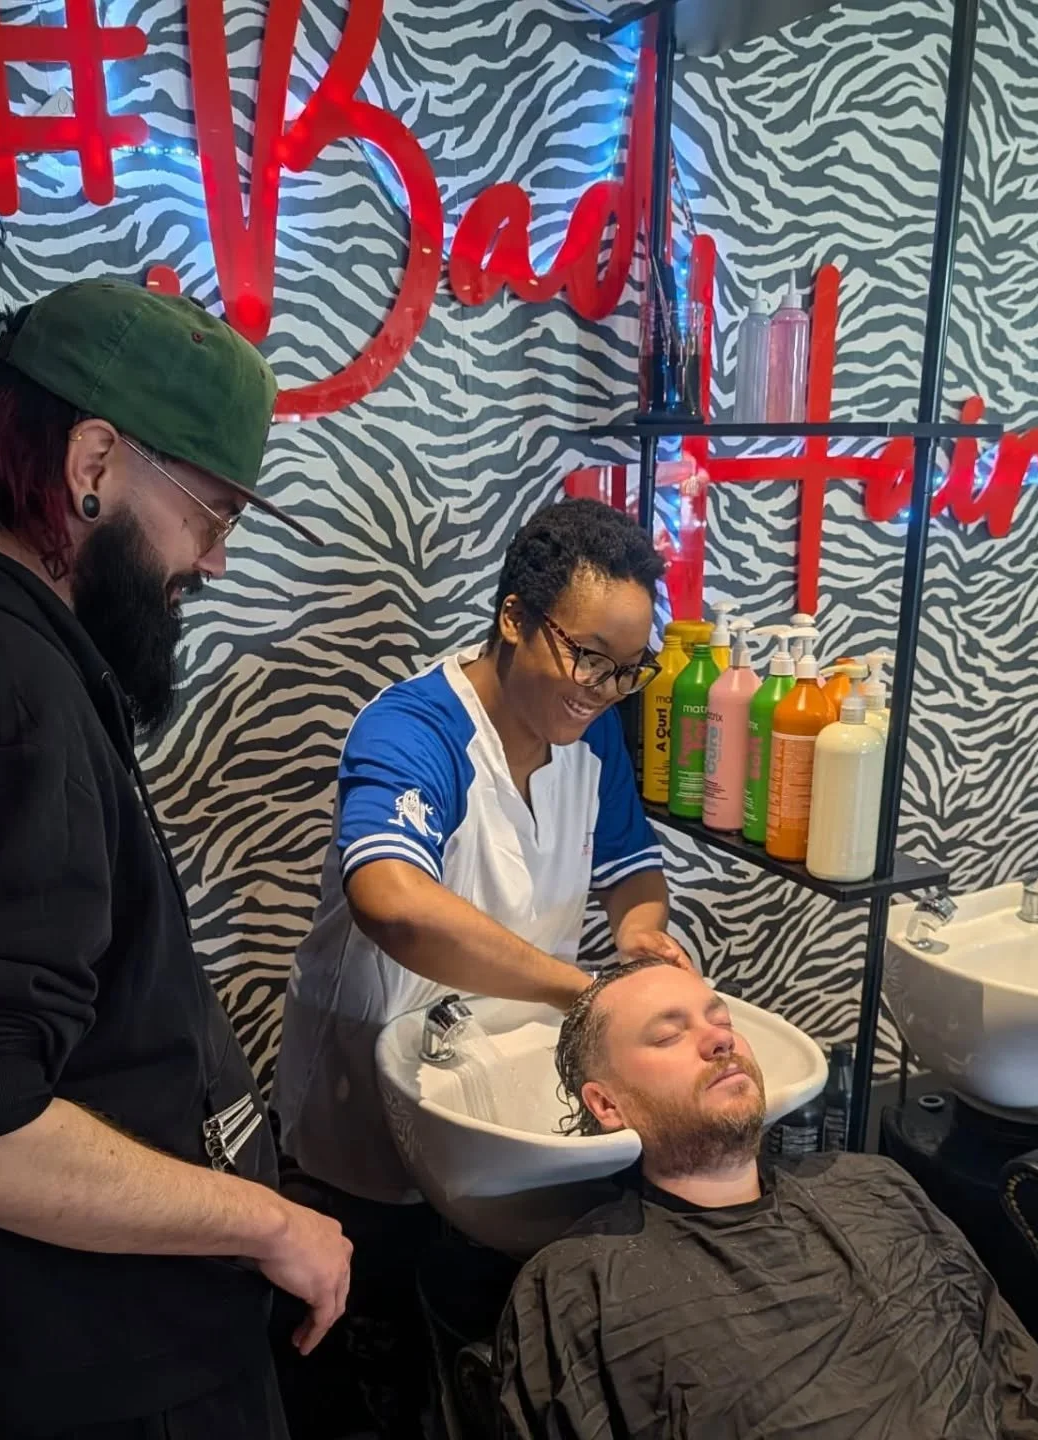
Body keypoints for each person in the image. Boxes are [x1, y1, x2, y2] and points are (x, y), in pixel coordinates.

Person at [0, 278, 353, 1440]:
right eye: (213, 513)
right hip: (106, 1370)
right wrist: (268, 1224)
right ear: (94, 460)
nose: (217, 562)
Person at [272, 497, 690, 1435]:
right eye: (588, 657)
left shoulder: (592, 740)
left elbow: (635, 875)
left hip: (493, 1082)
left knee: (469, 1327)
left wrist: (636, 937)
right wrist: (583, 991)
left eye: (629, 670)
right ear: (512, 616)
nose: (604, 688)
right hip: (365, 1102)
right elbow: (393, 903)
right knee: (358, 1359)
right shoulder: (416, 729)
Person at [496, 959, 1038, 1440]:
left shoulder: (873, 1185)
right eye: (669, 1034)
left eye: (719, 1018)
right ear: (607, 1105)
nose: (718, 1039)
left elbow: (1013, 1363)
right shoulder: (579, 1283)